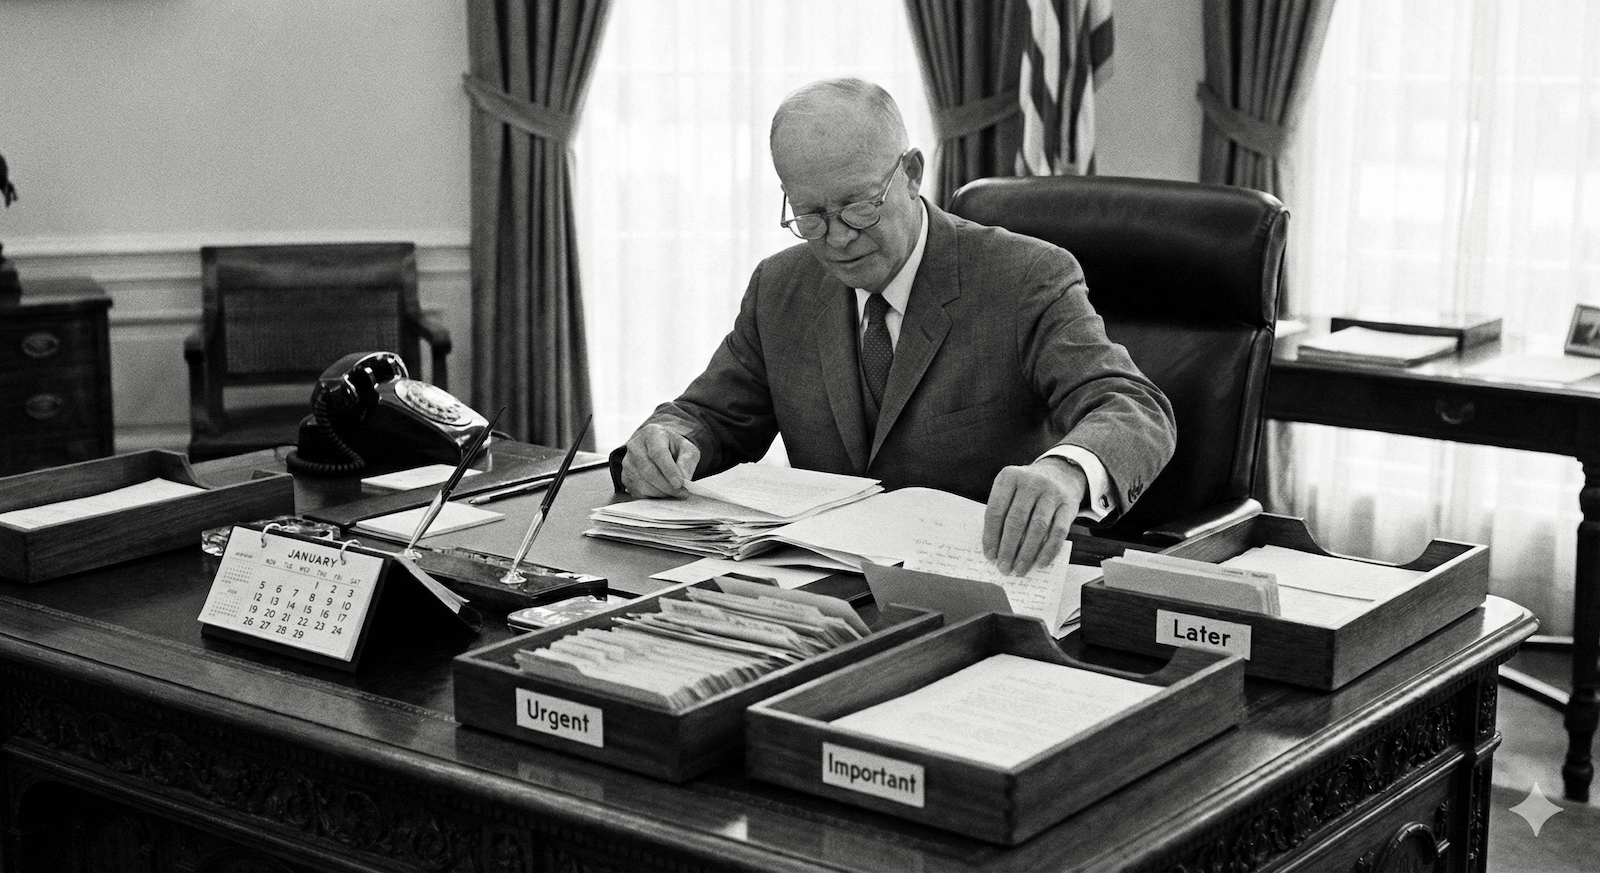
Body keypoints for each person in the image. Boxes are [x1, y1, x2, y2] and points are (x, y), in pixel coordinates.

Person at [615, 78, 1175, 575]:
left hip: (978, 582)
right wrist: (669, 442)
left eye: (859, 207)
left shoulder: (1025, 277)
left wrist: (1064, 472)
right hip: (824, 589)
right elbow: (712, 417)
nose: (836, 238)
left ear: (911, 174)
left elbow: (1133, 408)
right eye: (809, 215)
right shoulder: (782, 286)